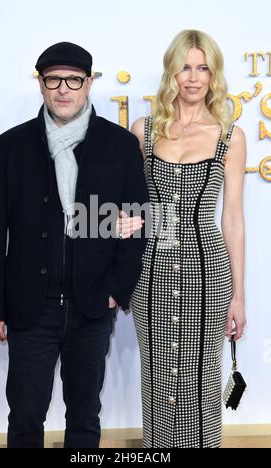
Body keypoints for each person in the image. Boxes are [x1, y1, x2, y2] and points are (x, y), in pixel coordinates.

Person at [0, 42, 148, 448]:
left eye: (73, 79)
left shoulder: (118, 145)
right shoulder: (11, 146)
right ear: (41, 85)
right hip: (29, 309)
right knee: (25, 417)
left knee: (85, 417)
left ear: (88, 84)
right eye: (54, 79)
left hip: (92, 308)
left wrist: (116, 291)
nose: (63, 89)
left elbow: (138, 224)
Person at [126, 30, 247, 448]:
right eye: (184, 67)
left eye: (203, 68)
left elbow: (232, 217)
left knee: (201, 377)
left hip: (208, 274)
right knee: (157, 370)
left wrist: (239, 295)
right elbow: (127, 205)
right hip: (151, 273)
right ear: (170, 72)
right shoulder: (142, 130)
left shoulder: (230, 136)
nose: (193, 78)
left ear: (213, 76)